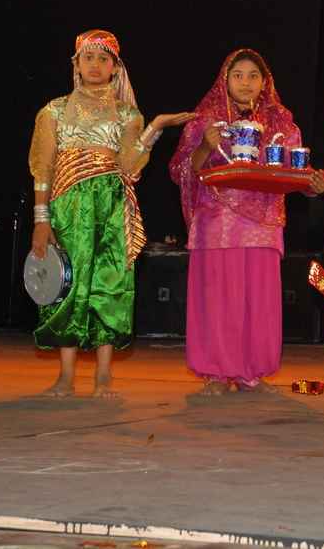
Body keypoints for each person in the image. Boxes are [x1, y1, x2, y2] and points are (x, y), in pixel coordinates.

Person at [29, 29, 194, 397]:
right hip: (68, 205)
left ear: (115, 68)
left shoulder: (127, 114)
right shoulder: (53, 111)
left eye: (103, 59)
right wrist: (41, 220)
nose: (95, 65)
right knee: (67, 284)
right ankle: (66, 375)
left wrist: (155, 128)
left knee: (111, 283)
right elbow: (42, 168)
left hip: (113, 204)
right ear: (76, 65)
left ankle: (103, 375)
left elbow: (129, 167)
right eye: (88, 57)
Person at [170, 49, 324, 395]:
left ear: (264, 82)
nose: (245, 82)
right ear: (224, 80)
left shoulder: (282, 124)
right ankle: (215, 373)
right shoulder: (204, 122)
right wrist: (204, 146)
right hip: (216, 224)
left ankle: (251, 373)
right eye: (238, 75)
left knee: (259, 302)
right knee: (217, 299)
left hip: (263, 226)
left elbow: (292, 173)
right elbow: (182, 171)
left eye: (253, 75)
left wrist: (313, 186)